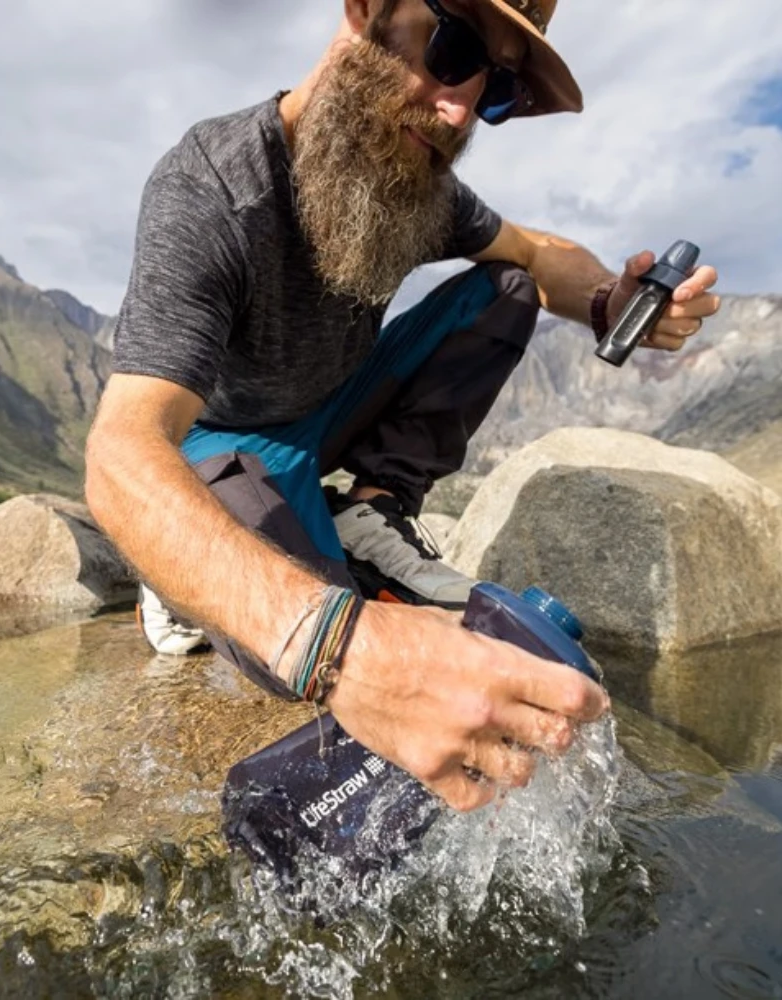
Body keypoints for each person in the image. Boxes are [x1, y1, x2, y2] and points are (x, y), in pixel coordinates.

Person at [85, 0, 720, 812]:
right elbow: (122, 449)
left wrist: (607, 299)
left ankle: (373, 507)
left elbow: (537, 254)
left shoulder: (411, 180)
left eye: (495, 89)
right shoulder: (212, 185)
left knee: (506, 288)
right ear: (365, 10)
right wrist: (342, 647)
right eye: (452, 49)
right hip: (222, 445)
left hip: (332, 410)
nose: (461, 112)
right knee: (299, 658)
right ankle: (175, 583)